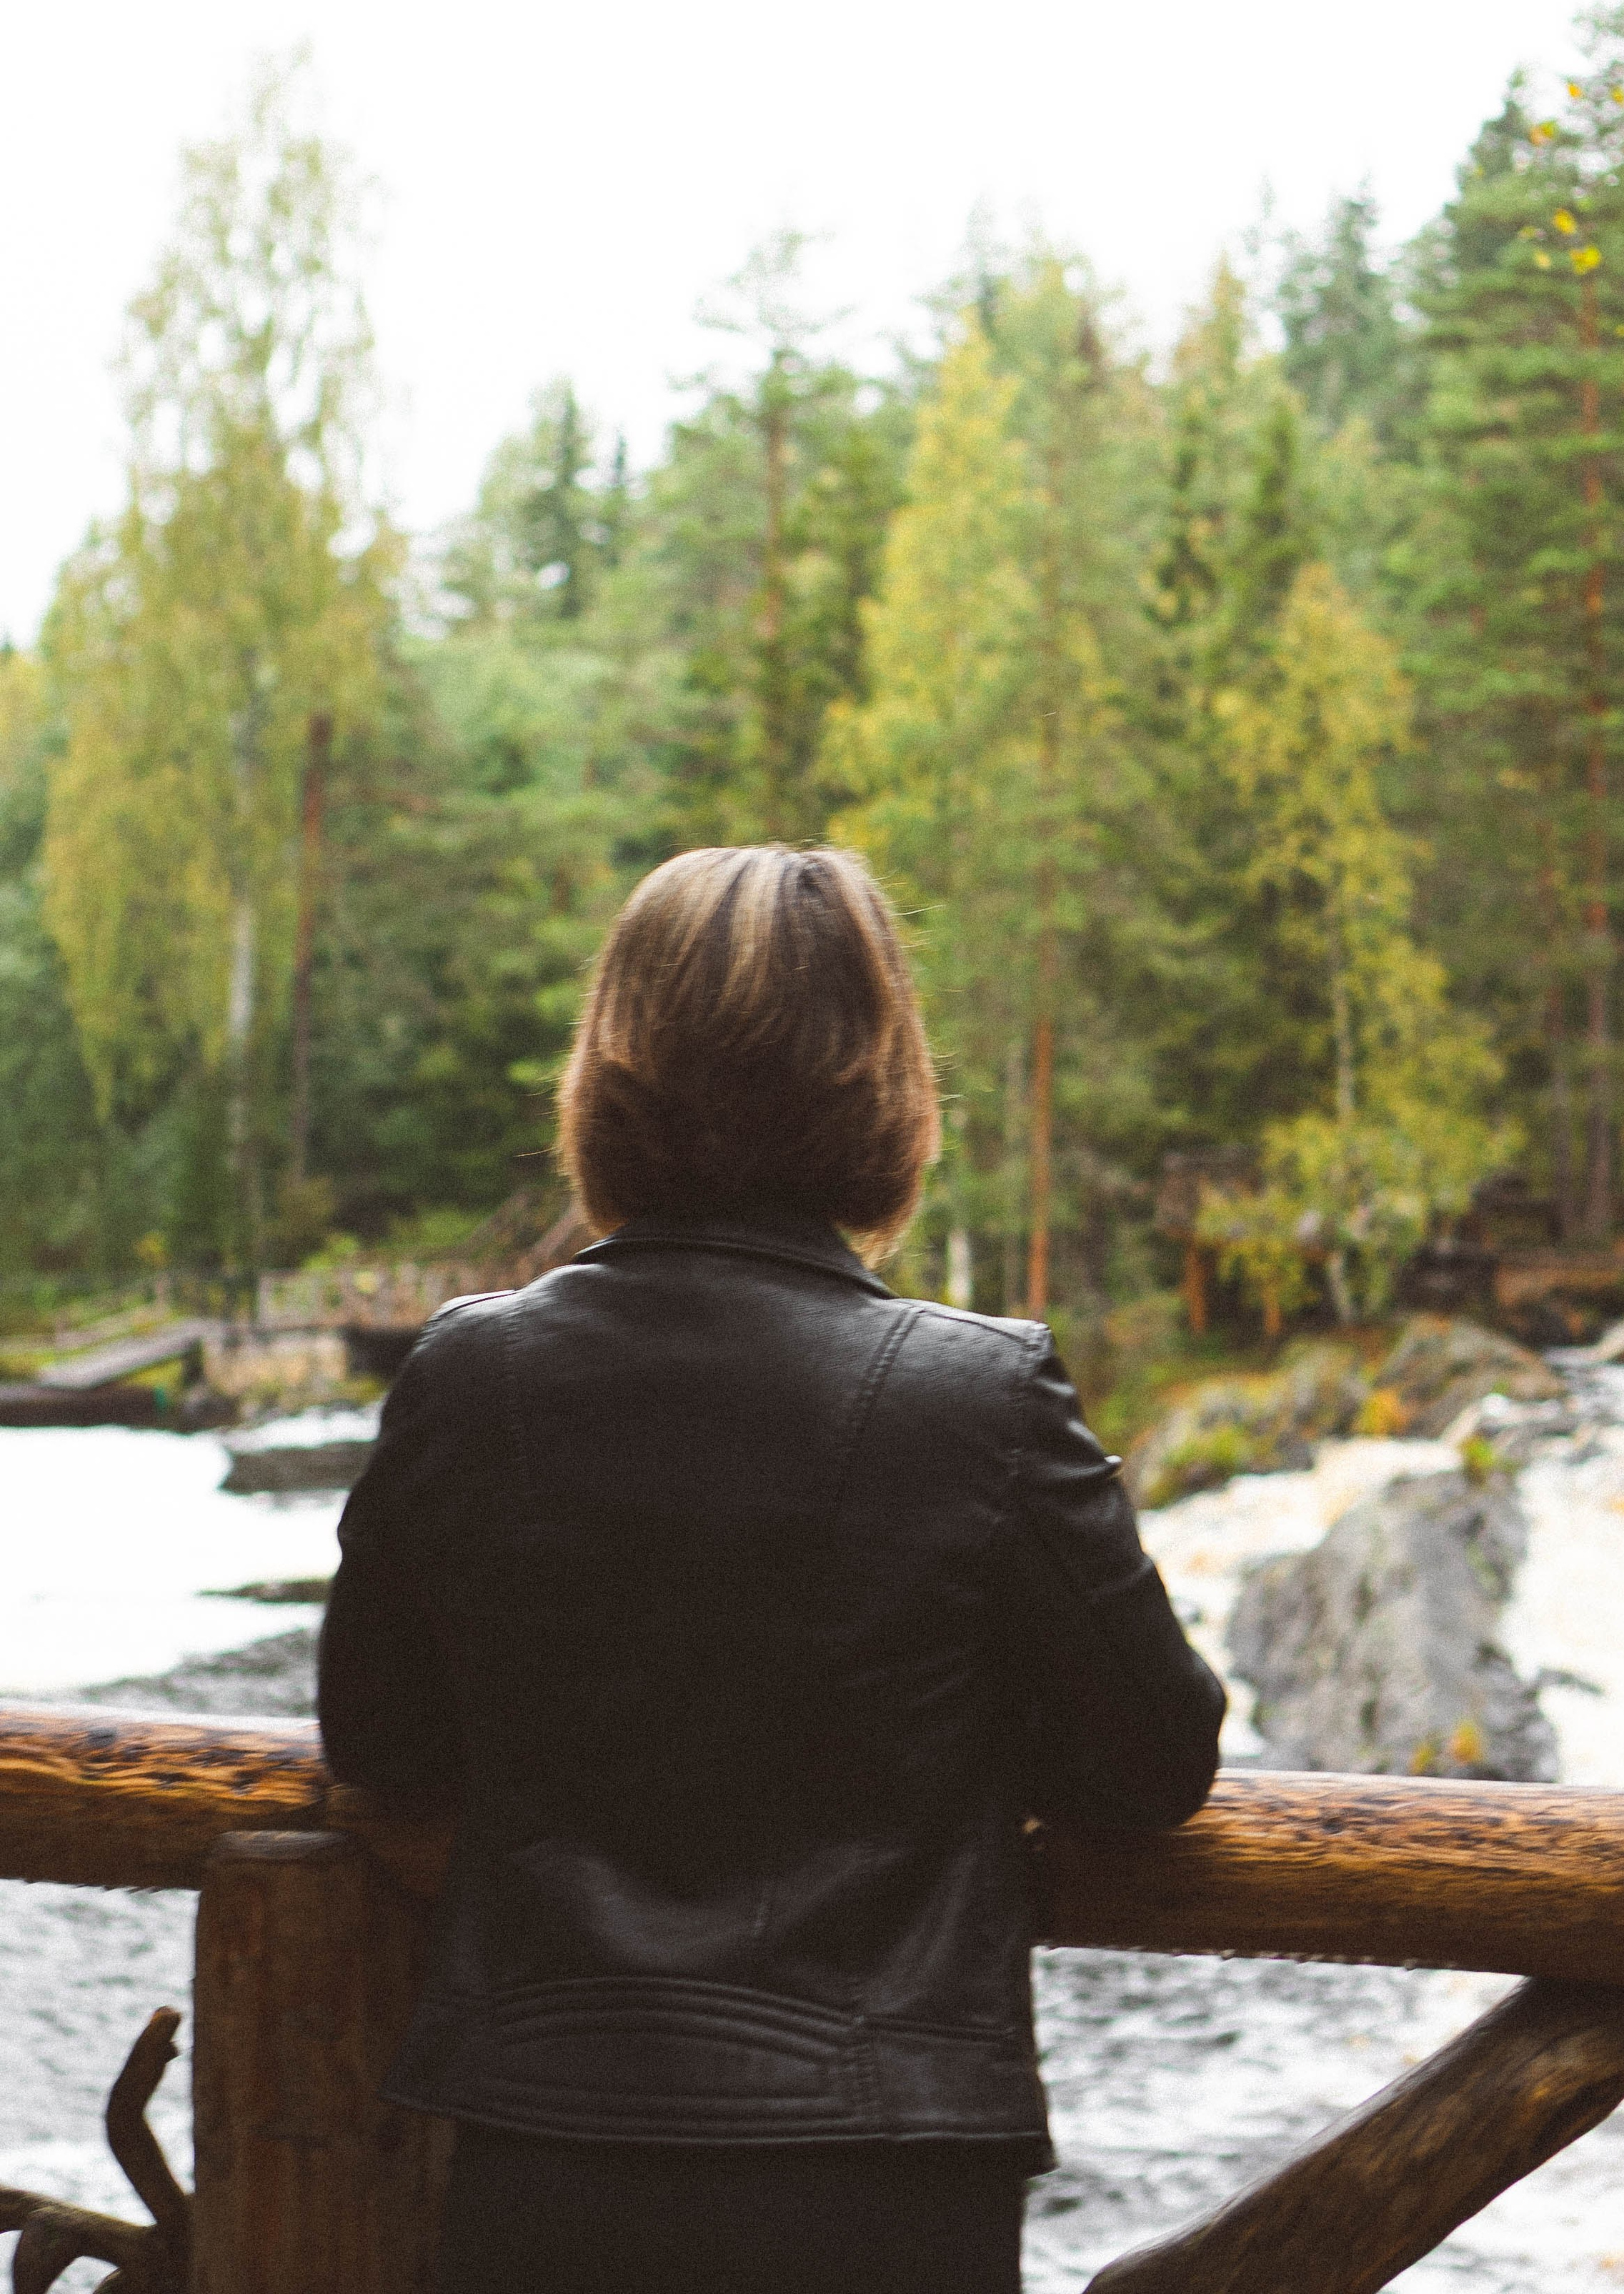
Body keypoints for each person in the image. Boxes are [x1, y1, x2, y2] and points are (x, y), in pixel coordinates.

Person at [319, 843, 1225, 2294]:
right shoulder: (980, 1397)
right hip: (879, 2179)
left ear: (603, 1078)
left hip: (544, 2162)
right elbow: (1151, 1765)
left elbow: (378, 1743)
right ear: (885, 1086)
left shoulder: (470, 1373)